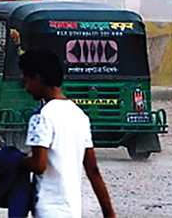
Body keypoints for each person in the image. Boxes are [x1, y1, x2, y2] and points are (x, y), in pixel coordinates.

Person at [19, 49, 115, 218]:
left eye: (26, 82)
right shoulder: (79, 115)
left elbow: (39, 165)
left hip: (47, 209)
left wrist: (15, 161)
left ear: (37, 78)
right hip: (72, 210)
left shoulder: (42, 116)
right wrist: (109, 213)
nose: (26, 88)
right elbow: (93, 170)